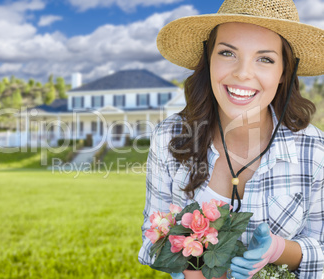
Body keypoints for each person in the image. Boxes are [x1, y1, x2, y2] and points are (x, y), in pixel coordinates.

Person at [138, 0, 324, 278]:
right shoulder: (169, 137)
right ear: (208, 59)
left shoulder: (315, 149)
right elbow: (151, 237)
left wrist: (279, 250)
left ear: (285, 71)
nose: (242, 73)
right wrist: (188, 268)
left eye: (265, 59)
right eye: (227, 53)